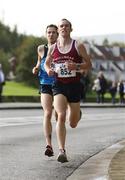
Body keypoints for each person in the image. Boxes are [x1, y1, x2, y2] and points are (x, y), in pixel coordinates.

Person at [45, 18, 92, 163]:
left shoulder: (78, 45)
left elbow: (88, 64)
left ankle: (77, 114)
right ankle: (62, 150)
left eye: (66, 26)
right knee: (61, 115)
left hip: (74, 85)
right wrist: (49, 71)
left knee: (73, 123)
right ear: (59, 30)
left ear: (71, 29)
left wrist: (77, 66)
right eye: (61, 26)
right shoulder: (53, 48)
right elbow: (47, 63)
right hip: (59, 84)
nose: (63, 28)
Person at [32, 24, 58, 157]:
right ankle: (49, 145)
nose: (51, 35)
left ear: (57, 34)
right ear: (46, 34)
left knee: (59, 115)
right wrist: (35, 68)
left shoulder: (61, 48)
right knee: (48, 113)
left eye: (54, 32)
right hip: (45, 84)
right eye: (49, 32)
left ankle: (61, 141)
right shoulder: (41, 48)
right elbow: (39, 63)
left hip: (60, 84)